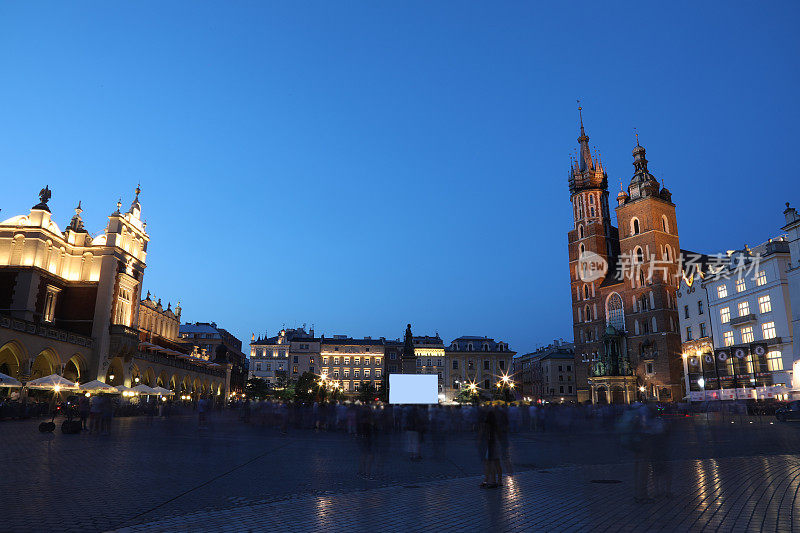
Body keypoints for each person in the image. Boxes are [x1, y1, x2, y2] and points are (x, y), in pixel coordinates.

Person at [478, 409, 502, 488]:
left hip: (491, 444)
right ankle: (499, 481)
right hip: (497, 443)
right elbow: (499, 434)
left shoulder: (486, 424)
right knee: (497, 463)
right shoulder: (496, 424)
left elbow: (481, 435)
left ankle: (491, 481)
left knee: (489, 463)